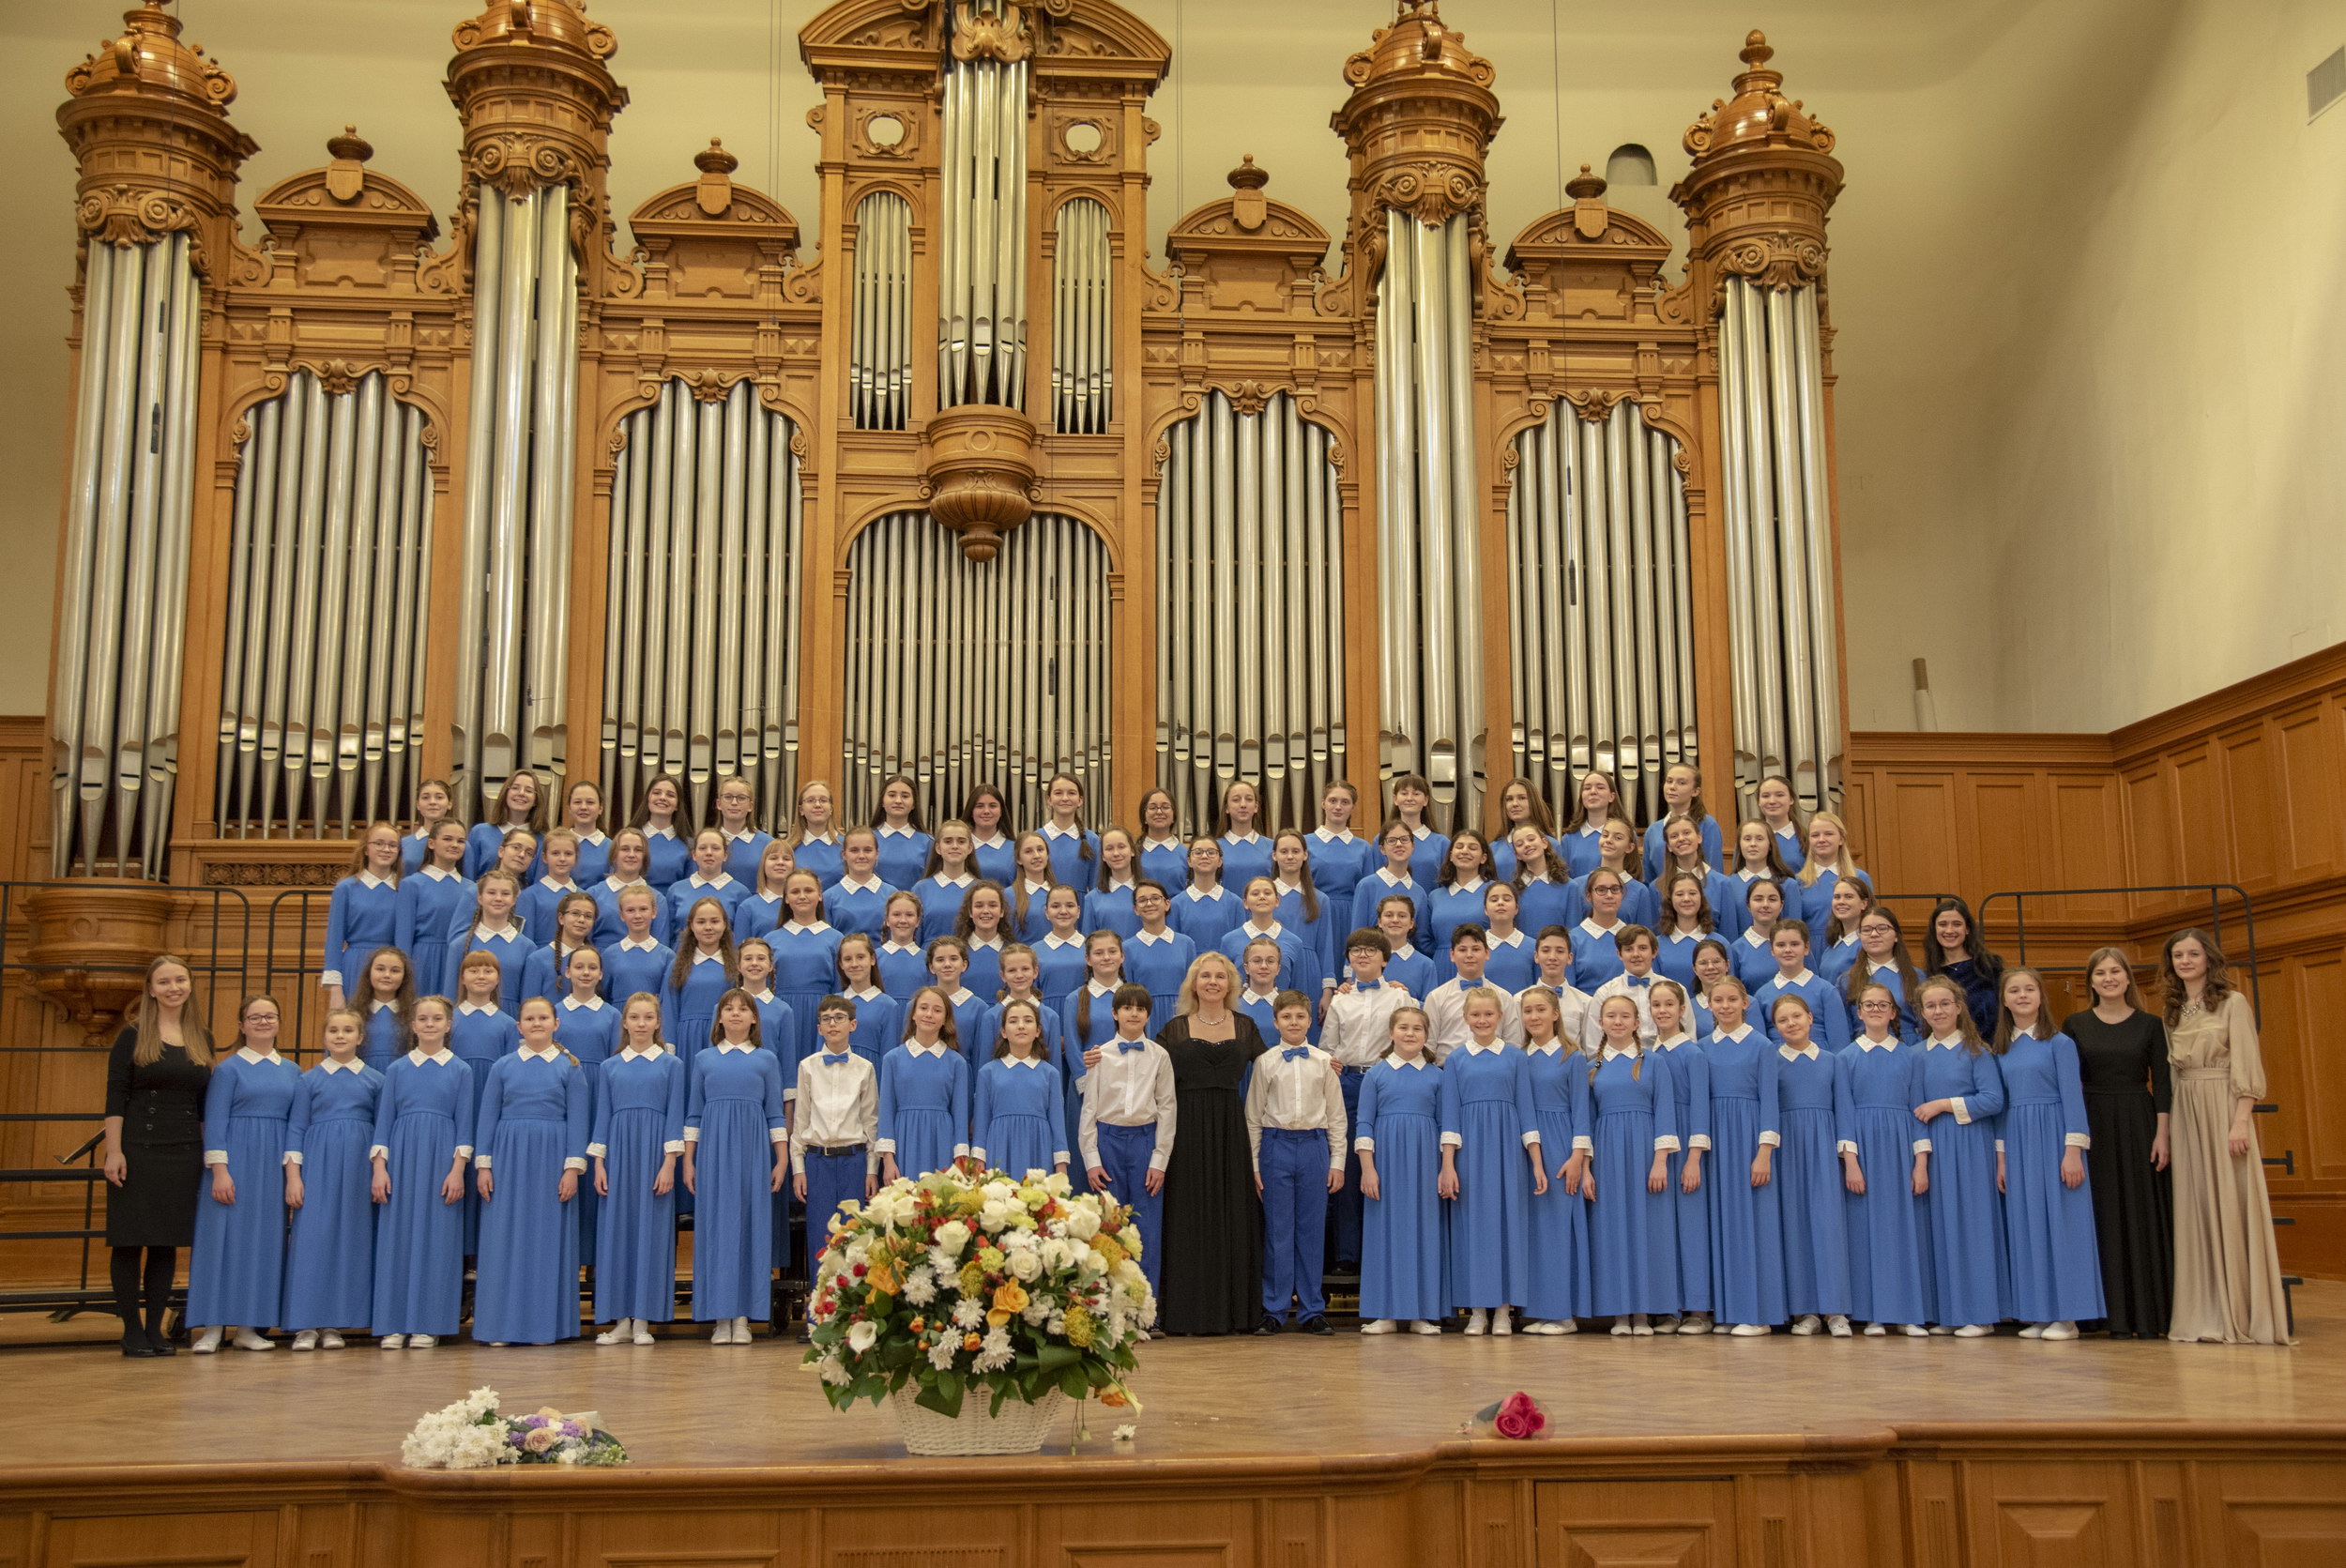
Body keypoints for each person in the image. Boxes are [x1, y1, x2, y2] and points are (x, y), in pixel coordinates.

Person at [2160, 928, 2289, 1344]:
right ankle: (2205, 1311)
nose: (2185, 961)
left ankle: (2241, 1310)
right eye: (2178, 955)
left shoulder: (2233, 1002)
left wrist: (2240, 1121)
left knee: (2232, 1203)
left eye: (2192, 954)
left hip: (2223, 1107)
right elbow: (2172, 1074)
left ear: (2209, 959)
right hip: (2187, 1111)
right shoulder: (2173, 1010)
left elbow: (2247, 1062)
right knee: (2196, 1205)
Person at [103, 955, 214, 1357]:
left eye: (180, 980)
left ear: (190, 985)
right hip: (138, 1149)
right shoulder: (132, 1035)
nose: (173, 988)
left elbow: (203, 1106)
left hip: (183, 1151)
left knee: (166, 1243)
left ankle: (154, 1329)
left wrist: (209, 1157)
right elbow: (116, 1094)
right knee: (130, 1241)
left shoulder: (201, 1037)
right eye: (164, 982)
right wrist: (114, 1151)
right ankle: (131, 1330)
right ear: (151, 989)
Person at [2060, 947, 2172, 1338]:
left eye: (2115, 972)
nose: (2108, 978)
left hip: (2139, 1121)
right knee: (2101, 1212)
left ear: (2128, 978)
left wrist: (2162, 1134)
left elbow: (2163, 1084)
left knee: (2141, 1214)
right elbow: (2068, 1084)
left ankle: (2147, 1314)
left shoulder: (2151, 1025)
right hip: (2093, 1123)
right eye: (2100, 973)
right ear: (2090, 981)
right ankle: (2100, 1314)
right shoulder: (2075, 1024)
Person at [1156, 953, 1268, 1335]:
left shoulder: (1246, 1025)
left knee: (1232, 1210)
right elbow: (1148, 1071)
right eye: (1205, 976)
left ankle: (1235, 1312)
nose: (1213, 982)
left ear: (1230, 984)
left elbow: (1274, 1069)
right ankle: (1187, 1313)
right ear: (1194, 983)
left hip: (1231, 1127)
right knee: (1188, 1212)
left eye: (1220, 976)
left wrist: (1321, 1063)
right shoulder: (1173, 1029)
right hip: (1185, 1127)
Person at [470, 996, 589, 1346]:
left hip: (552, 1157)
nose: (537, 1024)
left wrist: (572, 1168)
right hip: (508, 1158)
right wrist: (484, 1166)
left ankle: (542, 1326)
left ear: (556, 1024)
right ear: (519, 1026)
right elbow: (487, 1117)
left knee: (545, 1240)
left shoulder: (570, 1067)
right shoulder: (503, 1067)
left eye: (543, 1018)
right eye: (530, 1019)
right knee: (503, 1239)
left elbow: (578, 1120)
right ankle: (499, 1327)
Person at [186, 995, 301, 1353]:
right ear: (241, 1026)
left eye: (270, 1016)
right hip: (234, 1163)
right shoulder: (228, 1070)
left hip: (271, 1167)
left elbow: (296, 1126)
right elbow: (215, 1122)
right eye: (255, 1017)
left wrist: (292, 1174)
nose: (263, 1022)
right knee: (220, 1243)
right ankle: (212, 1328)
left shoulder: (293, 1071)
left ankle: (249, 1328)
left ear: (279, 1022)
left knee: (262, 1245)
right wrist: (220, 1171)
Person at [1994, 967, 2103, 1339]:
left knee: (2063, 1223)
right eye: (2014, 990)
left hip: (2055, 1135)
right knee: (2028, 1224)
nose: (2022, 995)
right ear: (2004, 1000)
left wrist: (2072, 1152)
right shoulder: (2001, 1048)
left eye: (2029, 989)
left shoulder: (2060, 1044)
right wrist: (2002, 1159)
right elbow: (2002, 1107)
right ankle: (2040, 1312)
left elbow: (2073, 1099)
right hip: (2018, 1139)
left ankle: (2068, 1317)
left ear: (2041, 996)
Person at [1440, 988, 1547, 1336]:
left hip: (1507, 1151)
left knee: (1507, 1227)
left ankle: (1503, 1309)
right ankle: (1477, 1310)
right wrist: (1448, 1164)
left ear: (1500, 1017)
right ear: (1465, 1018)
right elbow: (1450, 1116)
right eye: (1475, 1015)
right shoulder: (1456, 1059)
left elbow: (1527, 1111)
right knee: (1473, 1227)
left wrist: (1536, 1162)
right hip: (1470, 1152)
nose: (1482, 1020)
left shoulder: (1515, 1057)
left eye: (1488, 1014)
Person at [686, 990, 790, 1345]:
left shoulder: (766, 1060)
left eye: (742, 1009)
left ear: (754, 1018)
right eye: (728, 1008)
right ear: (719, 1017)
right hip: (713, 1152)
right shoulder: (703, 1059)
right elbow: (694, 1114)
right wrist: (689, 1160)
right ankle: (720, 1318)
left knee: (750, 1227)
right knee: (716, 1228)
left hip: (753, 1152)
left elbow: (775, 1113)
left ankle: (744, 1317)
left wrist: (782, 1158)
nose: (735, 1014)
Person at [370, 997, 473, 1349]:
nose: (430, 1024)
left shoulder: (460, 1070)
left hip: (441, 1159)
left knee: (437, 1240)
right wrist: (380, 1168)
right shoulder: (397, 1070)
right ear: (413, 1026)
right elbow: (384, 1123)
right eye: (423, 1019)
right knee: (397, 1239)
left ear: (448, 1025)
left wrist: (457, 1170)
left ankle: (428, 1323)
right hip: (401, 1159)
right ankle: (394, 1323)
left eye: (437, 1019)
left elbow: (465, 1126)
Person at [281, 1008, 385, 1350]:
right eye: (334, 1030)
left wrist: (378, 1169)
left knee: (351, 1240)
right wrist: (294, 1177)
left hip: (358, 1166)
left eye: (348, 1030)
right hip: (318, 1164)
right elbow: (296, 1128)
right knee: (313, 1239)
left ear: (360, 1037)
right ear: (324, 1037)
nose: (340, 1036)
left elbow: (383, 1132)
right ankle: (306, 1324)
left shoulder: (375, 1080)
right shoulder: (308, 1080)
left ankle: (335, 1324)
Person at [1911, 975, 2008, 1336]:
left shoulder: (1977, 1051)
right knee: (1941, 1228)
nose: (1938, 1011)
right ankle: (1950, 1314)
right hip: (1934, 1148)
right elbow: (1914, 1110)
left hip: (1970, 1145)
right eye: (1930, 1006)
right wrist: (1921, 1160)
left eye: (1944, 1004)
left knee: (1972, 1226)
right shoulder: (1915, 1056)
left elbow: (1993, 1100)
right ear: (1922, 1012)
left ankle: (1981, 1314)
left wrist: (1943, 1104)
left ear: (1958, 1007)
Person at [1246, 991, 1347, 1334]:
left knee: (1311, 1230)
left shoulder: (1323, 1061)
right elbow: (1253, 1116)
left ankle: (1311, 1309)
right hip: (1276, 1147)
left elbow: (1337, 1116)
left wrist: (1338, 1161)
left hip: (1314, 1147)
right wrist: (1255, 1165)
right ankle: (1274, 1309)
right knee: (1278, 1230)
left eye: (1300, 1016)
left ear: (1309, 1021)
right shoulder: (1265, 1062)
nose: (1293, 1022)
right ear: (1275, 1022)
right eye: (1286, 1017)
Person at [1836, 982, 1932, 1337]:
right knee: (1865, 1232)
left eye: (1883, 1005)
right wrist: (1851, 1163)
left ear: (1893, 1012)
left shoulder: (1911, 1057)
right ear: (1859, 1012)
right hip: (1863, 1150)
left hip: (1900, 1147)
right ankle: (1873, 1313)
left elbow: (1918, 1111)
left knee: (1903, 1230)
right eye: (1869, 1005)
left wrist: (1920, 1163)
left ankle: (1907, 1313)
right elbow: (1844, 1113)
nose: (1875, 1010)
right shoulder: (1845, 1058)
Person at [1577, 994, 1678, 1335]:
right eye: (1611, 1016)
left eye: (1625, 1016)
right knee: (1613, 1230)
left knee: (1648, 1230)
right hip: (1607, 1154)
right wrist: (1587, 1169)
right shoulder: (1591, 1068)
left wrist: (1660, 1161)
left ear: (1637, 1023)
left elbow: (1665, 1110)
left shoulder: (1654, 1062)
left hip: (1645, 1151)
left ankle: (1644, 1314)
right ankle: (1620, 1314)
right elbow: (1586, 1122)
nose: (1618, 1021)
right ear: (1601, 1023)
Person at [589, 994, 685, 1347]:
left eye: (648, 1017)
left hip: (655, 1154)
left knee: (652, 1234)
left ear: (658, 1023)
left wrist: (669, 1163)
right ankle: (620, 1321)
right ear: (625, 1023)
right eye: (635, 1017)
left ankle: (643, 1319)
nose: (641, 1024)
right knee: (617, 1234)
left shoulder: (671, 1064)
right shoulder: (610, 1067)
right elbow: (602, 1116)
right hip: (618, 1154)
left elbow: (675, 1115)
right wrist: (599, 1163)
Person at [1318, 929, 1411, 1271]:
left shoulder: (1400, 996)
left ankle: (1384, 1250)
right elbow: (1328, 1047)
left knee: (1385, 1164)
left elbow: (1411, 1038)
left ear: (1385, 959)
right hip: (1349, 1083)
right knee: (1347, 1164)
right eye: (1356, 950)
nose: (1362, 955)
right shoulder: (1341, 1000)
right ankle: (1347, 1254)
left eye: (1371, 950)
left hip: (1387, 1081)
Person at [1074, 984, 1176, 1293]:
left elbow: (1167, 1108)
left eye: (1140, 1009)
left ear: (1148, 1016)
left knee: (1147, 1226)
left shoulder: (1160, 1056)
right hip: (1108, 1141)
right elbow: (1089, 1109)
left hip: (1145, 1141)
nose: (1134, 1013)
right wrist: (1092, 1160)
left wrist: (1159, 1160)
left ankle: (1146, 1305)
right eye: (1127, 1008)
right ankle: (1111, 1304)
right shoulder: (1099, 1055)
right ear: (1114, 1013)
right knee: (1110, 1224)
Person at [1699, 977, 1786, 1336]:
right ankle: (1730, 1310)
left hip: (1748, 1136)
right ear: (1708, 1005)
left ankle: (1758, 1313)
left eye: (1732, 999)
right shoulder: (1702, 1048)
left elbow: (1770, 1102)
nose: (1725, 1006)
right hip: (1716, 1138)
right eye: (1718, 1000)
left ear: (1745, 1003)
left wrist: (1764, 1152)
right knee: (1723, 1223)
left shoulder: (1762, 1046)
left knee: (1755, 1223)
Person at [1355, 1006, 1444, 1335]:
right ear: (1391, 1033)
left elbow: (1445, 1124)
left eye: (1417, 1028)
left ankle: (1421, 1313)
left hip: (1426, 1161)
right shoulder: (1376, 1075)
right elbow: (1364, 1122)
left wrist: (1445, 1168)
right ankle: (1385, 1314)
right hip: (1386, 1162)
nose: (1410, 1033)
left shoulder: (1437, 1076)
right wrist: (1368, 1169)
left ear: (1426, 1035)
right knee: (1385, 1233)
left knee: (1424, 1232)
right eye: (1403, 1028)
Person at [790, 997, 879, 1313]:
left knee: (855, 1239)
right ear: (819, 1028)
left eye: (839, 1017)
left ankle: (852, 1315)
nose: (832, 1023)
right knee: (820, 1238)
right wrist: (798, 1168)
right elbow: (800, 1121)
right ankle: (819, 1315)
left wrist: (871, 1169)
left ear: (852, 1025)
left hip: (855, 1161)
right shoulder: (807, 1066)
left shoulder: (865, 1068)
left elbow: (871, 1122)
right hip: (818, 1161)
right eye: (826, 1018)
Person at [1772, 995, 1852, 1336]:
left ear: (1810, 1018)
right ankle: (1805, 1311)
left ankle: (1836, 1311)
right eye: (1782, 1020)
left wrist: (1848, 1158)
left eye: (1796, 1016)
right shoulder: (1772, 1061)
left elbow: (1844, 1110)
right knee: (1795, 1226)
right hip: (1787, 1148)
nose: (1791, 1024)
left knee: (1827, 1225)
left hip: (1822, 1146)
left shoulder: (1833, 1061)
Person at [1518, 986, 1592, 1334]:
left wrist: (1578, 1157)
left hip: (1561, 1142)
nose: (1534, 1016)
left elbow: (1581, 1110)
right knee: (1535, 1230)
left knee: (1560, 1226)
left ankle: (1564, 1313)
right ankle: (1541, 1309)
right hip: (1526, 1145)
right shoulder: (1519, 1057)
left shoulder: (1572, 1057)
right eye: (1528, 1011)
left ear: (1556, 1014)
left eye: (1540, 1010)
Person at [1649, 980, 1712, 1333]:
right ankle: (1668, 1307)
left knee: (1691, 1227)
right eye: (1656, 1005)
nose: (1662, 1011)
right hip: (1658, 1140)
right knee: (1664, 1229)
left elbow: (1700, 1107)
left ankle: (1698, 1310)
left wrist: (1693, 1158)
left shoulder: (1693, 1053)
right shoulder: (1648, 1054)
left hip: (1685, 1142)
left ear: (1682, 1009)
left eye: (1669, 1005)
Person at [876, 986, 970, 1182]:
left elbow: (960, 1116)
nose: (929, 1014)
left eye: (937, 1010)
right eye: (923, 1008)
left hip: (942, 1141)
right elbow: (886, 1111)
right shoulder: (892, 1059)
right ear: (913, 1014)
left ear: (945, 1019)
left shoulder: (957, 1062)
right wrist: (888, 1160)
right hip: (904, 1140)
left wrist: (960, 1160)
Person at [972, 997, 1069, 1179]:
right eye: (1013, 1021)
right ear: (1003, 1032)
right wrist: (978, 1161)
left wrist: (1061, 1165)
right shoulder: (988, 1072)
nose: (1021, 1026)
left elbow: (1058, 1124)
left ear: (1038, 1031)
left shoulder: (1051, 1074)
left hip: (1039, 1149)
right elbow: (981, 1122)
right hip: (999, 1147)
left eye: (1028, 1020)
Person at [324, 822, 404, 1006]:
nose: (386, 849)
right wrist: (335, 990)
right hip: (355, 965)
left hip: (391, 967)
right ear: (366, 849)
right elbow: (334, 940)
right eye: (379, 843)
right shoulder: (346, 888)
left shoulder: (404, 888)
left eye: (392, 845)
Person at [395, 819, 473, 997]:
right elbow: (403, 936)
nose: (455, 845)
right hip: (422, 961)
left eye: (461, 841)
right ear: (431, 843)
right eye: (447, 839)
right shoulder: (412, 884)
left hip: (460, 962)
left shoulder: (471, 888)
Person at [1424, 926, 1526, 1056]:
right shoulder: (1436, 997)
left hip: (1495, 1065)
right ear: (1452, 955)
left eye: (1476, 949)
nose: (1469, 955)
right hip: (1447, 1066)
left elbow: (1513, 1044)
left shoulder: (1504, 997)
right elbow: (1428, 1046)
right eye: (1462, 950)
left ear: (1487, 953)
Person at [1753, 921, 1851, 1051]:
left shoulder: (1826, 991)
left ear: (1806, 948)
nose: (1788, 950)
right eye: (1781, 945)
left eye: (1794, 944)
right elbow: (1760, 1047)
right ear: (1772, 950)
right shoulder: (1761, 995)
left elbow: (1840, 1043)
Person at [1921, 896, 2005, 1042]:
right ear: (1934, 929)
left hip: (1992, 1046)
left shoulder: (1990, 967)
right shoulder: (1930, 975)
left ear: (1967, 929)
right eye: (1942, 924)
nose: (1949, 930)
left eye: (1957, 924)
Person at [1124, 882, 1198, 1033]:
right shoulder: (1127, 948)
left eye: (1155, 898)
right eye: (1142, 900)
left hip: (1182, 1015)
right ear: (1136, 909)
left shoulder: (1186, 944)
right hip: (1145, 1017)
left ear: (1167, 904)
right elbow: (1127, 992)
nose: (1149, 904)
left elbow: (1194, 987)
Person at [909, 819, 979, 943]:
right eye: (948, 841)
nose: (955, 846)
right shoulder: (921, 889)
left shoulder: (980, 889)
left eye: (961, 841)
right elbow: (914, 937)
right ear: (938, 848)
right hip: (929, 954)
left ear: (970, 848)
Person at [1387, 773, 1451, 887]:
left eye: (1416, 794)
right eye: (1404, 793)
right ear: (1395, 799)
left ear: (1425, 800)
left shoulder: (1442, 843)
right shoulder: (1382, 840)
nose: (1409, 798)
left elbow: (1447, 883)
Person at [869, 773, 932, 889]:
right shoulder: (867, 838)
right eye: (892, 795)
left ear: (914, 804)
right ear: (882, 801)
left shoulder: (928, 842)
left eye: (905, 796)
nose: (898, 801)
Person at [1213, 779, 1272, 890]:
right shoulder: (1214, 848)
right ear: (1227, 808)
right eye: (1236, 800)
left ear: (1256, 807)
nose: (1243, 805)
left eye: (1249, 799)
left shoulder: (1272, 847)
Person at [401, 777, 459, 873]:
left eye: (439, 797)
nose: (432, 802)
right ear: (418, 805)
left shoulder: (460, 844)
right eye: (425, 797)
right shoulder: (403, 844)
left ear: (449, 804)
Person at [1136, 787, 1189, 891]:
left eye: (1165, 807)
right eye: (1152, 807)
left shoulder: (1187, 854)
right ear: (1144, 816)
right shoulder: (1132, 854)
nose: (1159, 812)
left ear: (1174, 815)